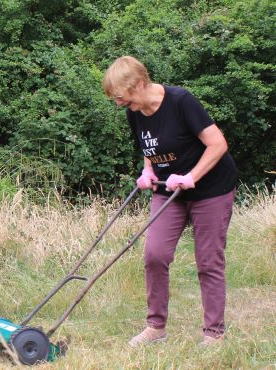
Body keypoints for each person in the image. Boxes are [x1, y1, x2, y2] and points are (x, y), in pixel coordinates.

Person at [102, 56, 238, 346]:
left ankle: (214, 333)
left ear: (139, 84)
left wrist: (191, 176)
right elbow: (149, 144)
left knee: (208, 260)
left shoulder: (181, 101)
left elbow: (218, 144)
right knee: (155, 255)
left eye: (122, 98)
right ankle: (156, 328)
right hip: (168, 191)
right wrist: (147, 170)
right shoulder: (135, 111)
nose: (120, 104)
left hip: (211, 188)